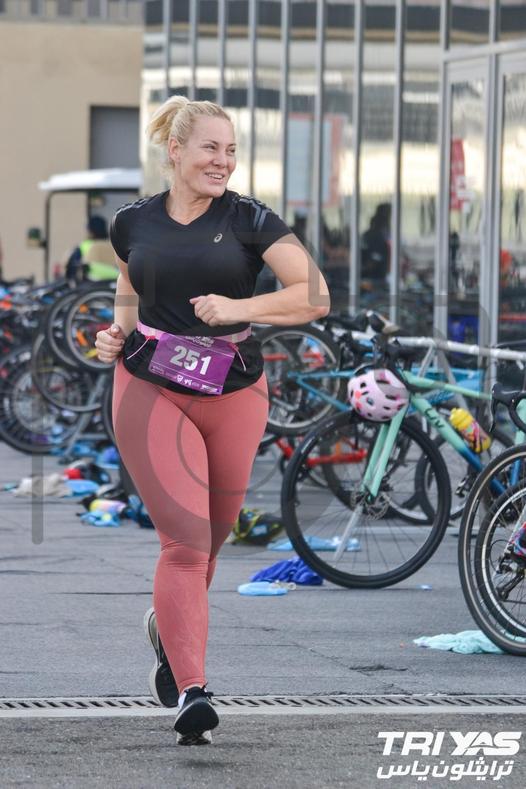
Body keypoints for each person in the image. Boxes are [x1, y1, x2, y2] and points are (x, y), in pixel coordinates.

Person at [95, 96, 330, 746]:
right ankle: (192, 690)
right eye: (210, 148)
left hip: (235, 390)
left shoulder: (251, 219)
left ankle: (167, 631)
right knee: (185, 542)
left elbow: (313, 295)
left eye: (230, 150)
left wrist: (238, 307)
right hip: (148, 386)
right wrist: (114, 334)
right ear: (176, 150)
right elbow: (128, 289)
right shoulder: (131, 221)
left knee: (212, 541)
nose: (222, 161)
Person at [65, 215, 118, 283]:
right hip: (115, 282)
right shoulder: (113, 244)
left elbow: (71, 269)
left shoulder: (84, 246)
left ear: (90, 231)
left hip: (92, 284)